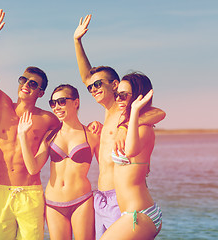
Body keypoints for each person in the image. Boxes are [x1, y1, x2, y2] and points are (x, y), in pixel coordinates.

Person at [74, 15, 166, 239]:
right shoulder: (106, 115)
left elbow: (158, 112)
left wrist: (125, 127)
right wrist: (77, 42)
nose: (93, 88)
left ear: (115, 85)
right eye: (90, 87)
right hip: (102, 197)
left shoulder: (123, 108)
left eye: (99, 84)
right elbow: (88, 77)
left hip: (123, 199)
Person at [0, 9, 59, 240]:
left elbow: (71, 131)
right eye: (23, 80)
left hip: (31, 193)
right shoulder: (2, 105)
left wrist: (94, 127)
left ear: (41, 92)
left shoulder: (48, 120)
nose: (26, 85)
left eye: (33, 84)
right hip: (1, 191)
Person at [18, 84, 100, 240]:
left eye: (61, 101)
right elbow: (33, 168)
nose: (56, 107)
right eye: (53, 103)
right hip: (53, 203)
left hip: (82, 201)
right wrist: (22, 136)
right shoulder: (50, 136)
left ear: (76, 102)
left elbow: (107, 168)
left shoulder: (92, 134)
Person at [101, 72, 162, 239]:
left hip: (139, 213)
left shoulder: (144, 128)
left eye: (123, 95)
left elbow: (130, 151)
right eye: (116, 95)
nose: (118, 99)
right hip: (130, 212)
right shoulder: (129, 125)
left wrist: (134, 111)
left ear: (137, 96)